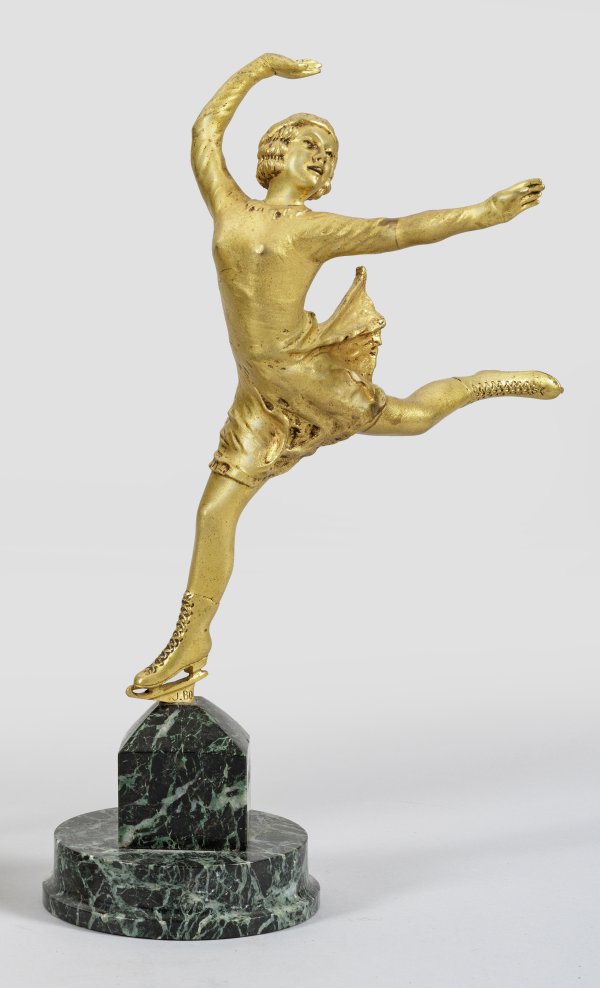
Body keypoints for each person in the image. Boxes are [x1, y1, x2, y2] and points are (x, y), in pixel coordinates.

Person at [127, 54, 562, 701]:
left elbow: (399, 231)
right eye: (310, 144)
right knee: (215, 511)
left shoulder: (316, 230)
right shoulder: (228, 205)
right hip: (256, 394)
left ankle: (486, 382)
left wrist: (484, 212)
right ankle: (191, 641)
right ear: (276, 150)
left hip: (310, 377)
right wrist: (262, 67)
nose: (322, 157)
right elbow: (204, 131)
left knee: (412, 419)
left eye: (330, 154)